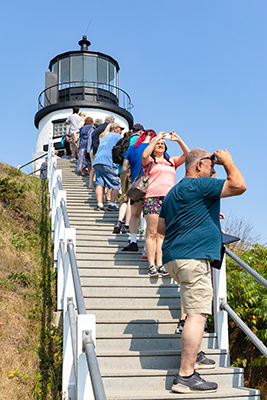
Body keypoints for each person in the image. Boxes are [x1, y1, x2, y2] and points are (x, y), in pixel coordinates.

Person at [158, 148, 246, 394]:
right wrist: (228, 160)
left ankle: (194, 355)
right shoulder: (201, 185)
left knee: (192, 310)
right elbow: (239, 185)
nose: (214, 171)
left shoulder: (173, 192)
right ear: (198, 166)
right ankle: (185, 375)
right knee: (197, 314)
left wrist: (203, 215)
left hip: (174, 258)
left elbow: (163, 227)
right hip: (194, 259)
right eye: (211, 166)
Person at [141, 131, 190, 276]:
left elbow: (188, 156)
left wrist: (179, 140)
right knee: (152, 232)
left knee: (162, 234)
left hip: (168, 200)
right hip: (152, 198)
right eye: (158, 144)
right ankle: (151, 265)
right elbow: (144, 155)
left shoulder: (171, 162)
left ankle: (160, 263)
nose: (160, 145)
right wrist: (156, 139)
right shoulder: (150, 162)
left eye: (163, 144)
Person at [121, 130, 157, 251]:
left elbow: (124, 169)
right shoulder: (155, 148)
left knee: (134, 215)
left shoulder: (132, 148)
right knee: (149, 216)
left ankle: (133, 241)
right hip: (151, 186)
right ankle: (147, 248)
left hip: (137, 186)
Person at [113, 123, 145, 234]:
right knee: (131, 200)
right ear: (141, 131)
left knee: (125, 198)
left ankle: (119, 221)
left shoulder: (126, 138)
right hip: (132, 173)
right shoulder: (139, 141)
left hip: (122, 171)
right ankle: (127, 225)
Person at [93, 123, 124, 211]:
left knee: (100, 184)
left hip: (98, 161)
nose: (121, 131)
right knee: (115, 184)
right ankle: (112, 204)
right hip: (108, 161)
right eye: (120, 129)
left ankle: (99, 204)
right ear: (115, 129)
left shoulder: (104, 136)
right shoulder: (116, 136)